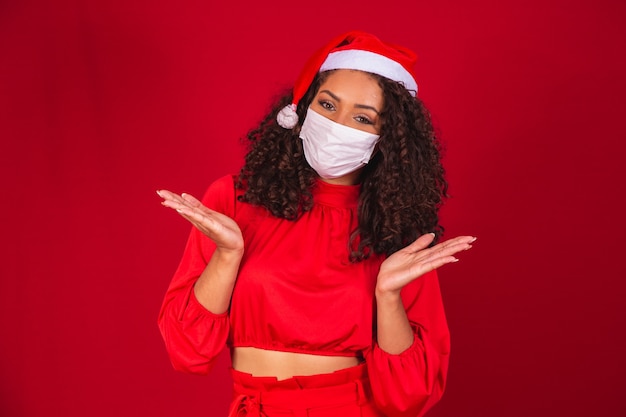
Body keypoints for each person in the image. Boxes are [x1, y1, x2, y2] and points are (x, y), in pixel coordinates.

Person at [157, 30, 475, 417]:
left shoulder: (397, 228)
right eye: (327, 104)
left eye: (362, 117)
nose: (339, 124)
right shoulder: (233, 200)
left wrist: (388, 296)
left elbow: (410, 396)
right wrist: (228, 254)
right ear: (301, 109)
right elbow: (188, 351)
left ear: (386, 138)